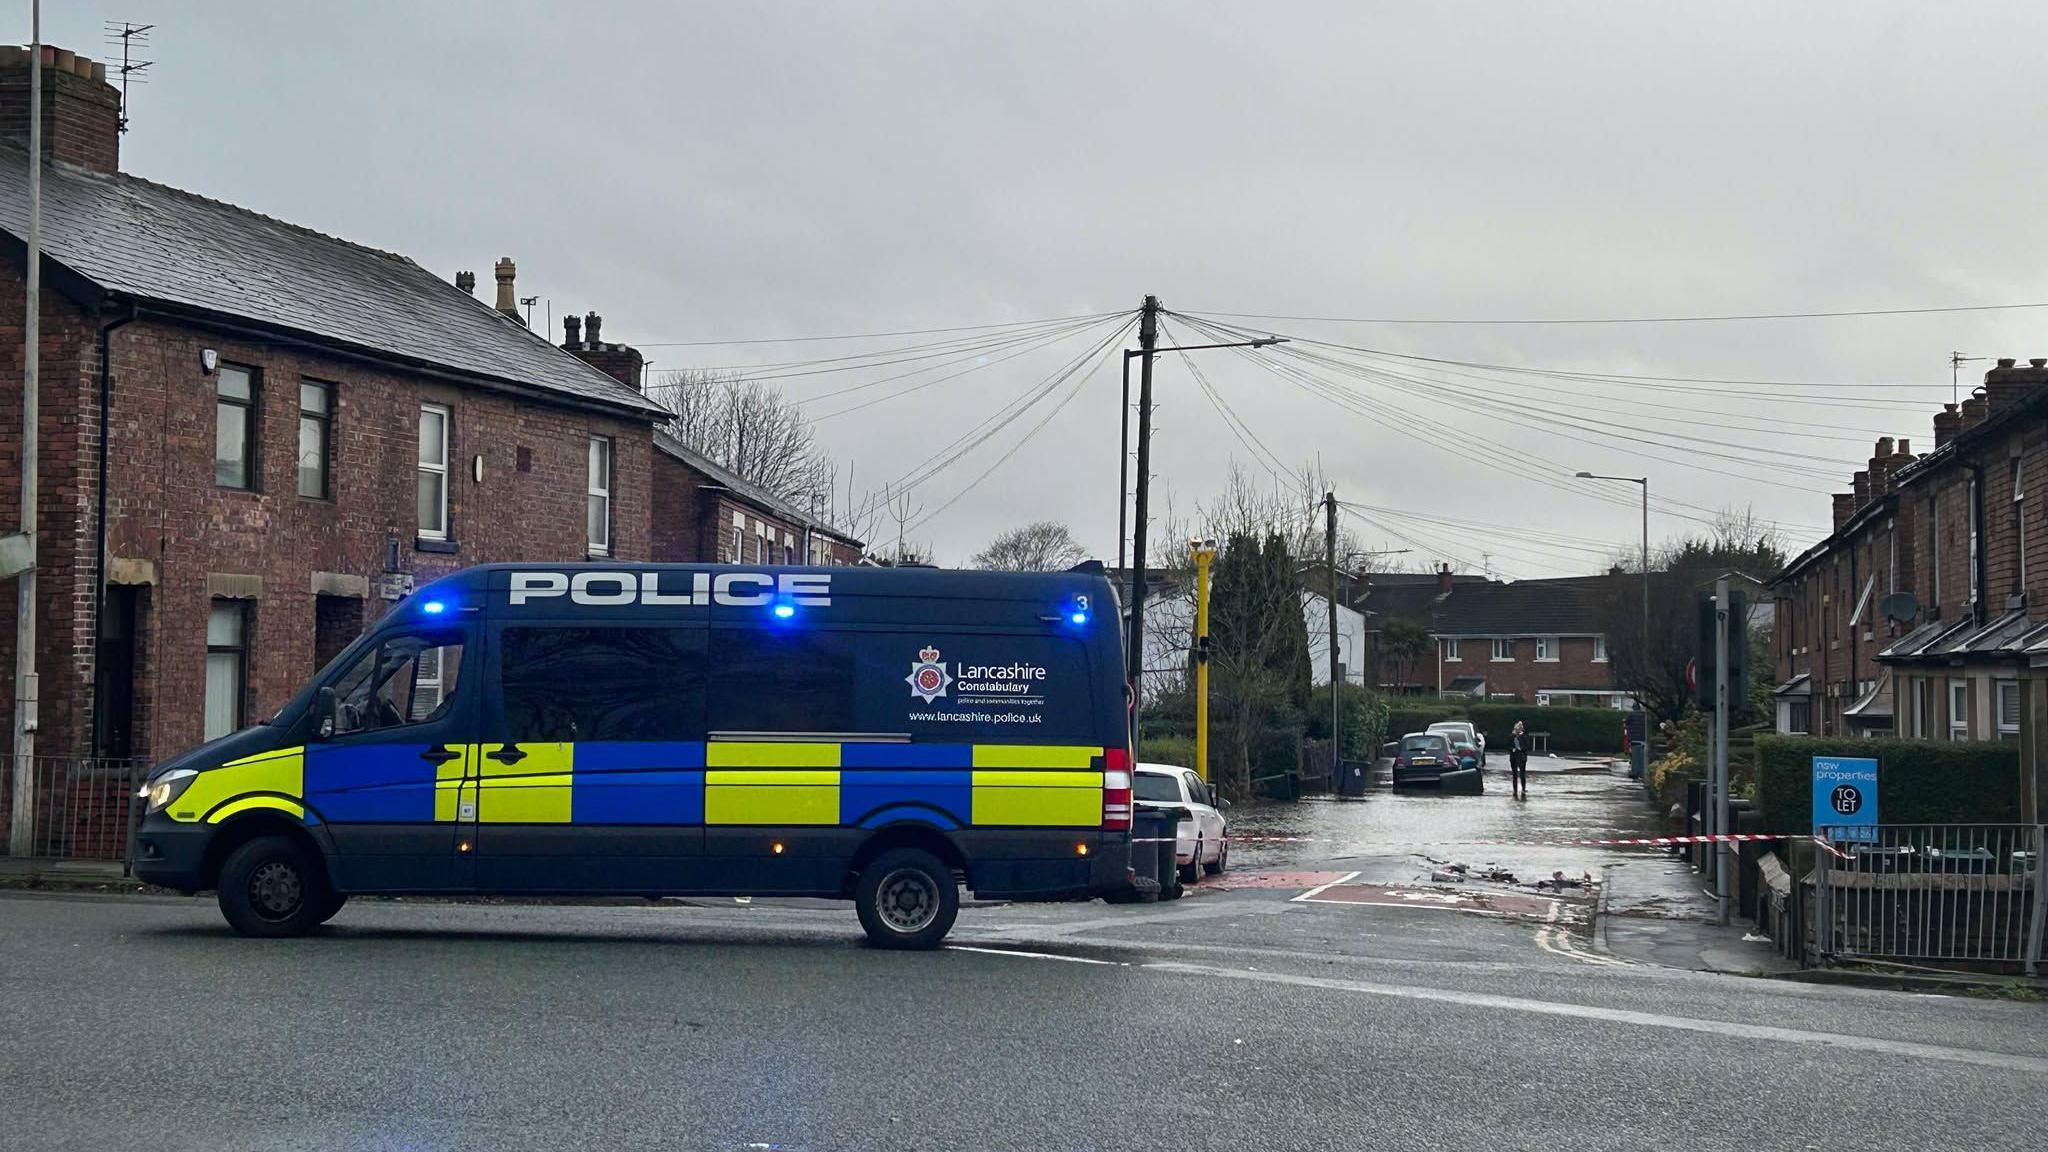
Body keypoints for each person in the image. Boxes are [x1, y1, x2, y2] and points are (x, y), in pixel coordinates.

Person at [1508, 721, 1531, 798]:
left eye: (1520, 728)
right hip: (1513, 756)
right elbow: (1508, 745)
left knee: (1522, 773)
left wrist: (1521, 749)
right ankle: (1515, 790)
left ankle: (1523, 789)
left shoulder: (1524, 736)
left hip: (1522, 757)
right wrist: (1512, 749)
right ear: (1515, 728)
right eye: (1518, 728)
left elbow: (1527, 746)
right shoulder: (1512, 736)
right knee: (1514, 774)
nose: (1519, 729)